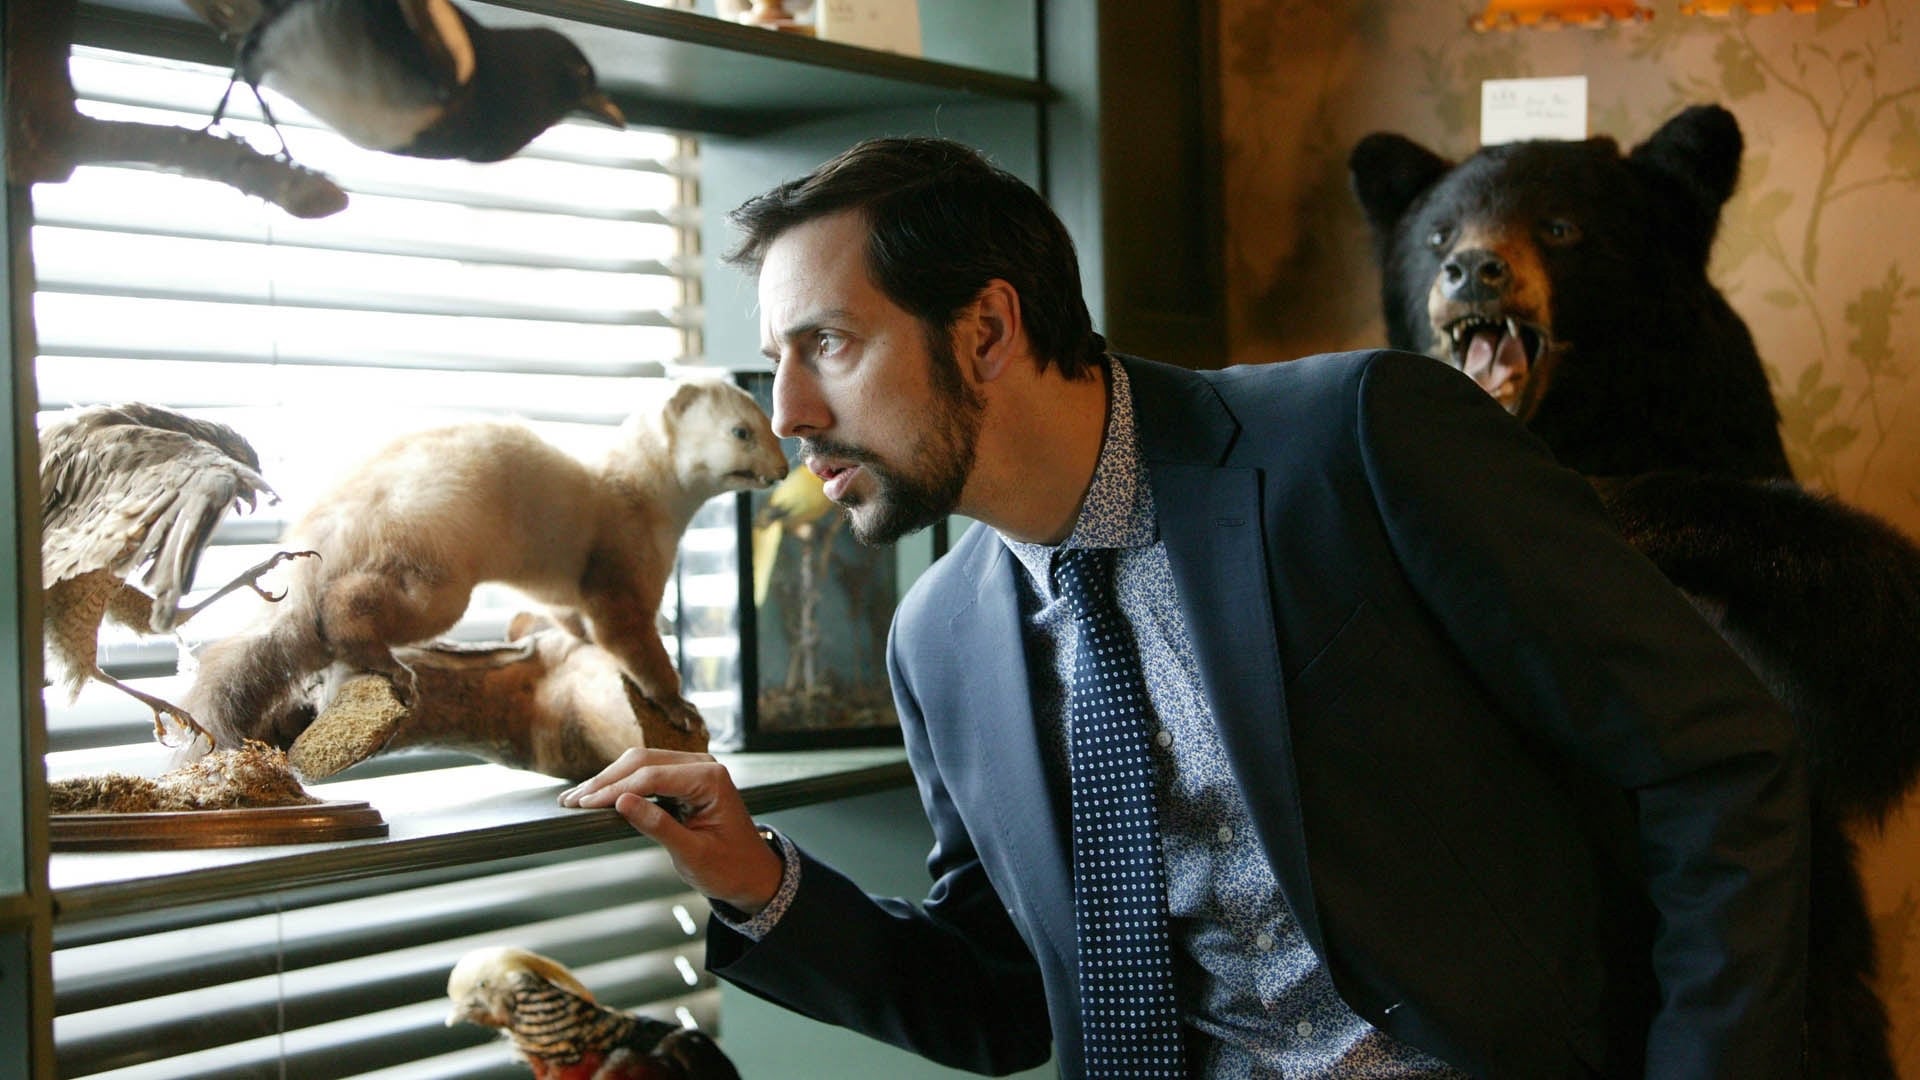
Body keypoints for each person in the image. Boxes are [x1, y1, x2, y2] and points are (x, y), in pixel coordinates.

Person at [559, 136, 1808, 1079]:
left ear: (987, 328)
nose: (786, 412)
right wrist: (756, 879)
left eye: (827, 344)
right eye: (778, 358)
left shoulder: (1362, 441)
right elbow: (1004, 1001)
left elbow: (1714, 761)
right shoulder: (936, 642)